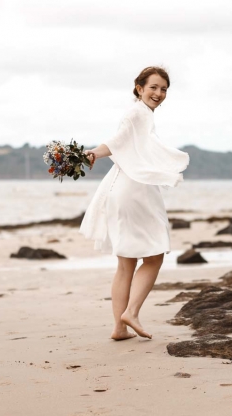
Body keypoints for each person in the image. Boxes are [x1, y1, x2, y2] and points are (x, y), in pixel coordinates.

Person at [80, 66, 189, 340]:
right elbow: (115, 143)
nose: (159, 93)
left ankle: (119, 328)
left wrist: (94, 153)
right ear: (139, 88)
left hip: (120, 187)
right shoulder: (137, 113)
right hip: (135, 189)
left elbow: (120, 144)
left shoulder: (143, 116)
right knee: (154, 255)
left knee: (126, 263)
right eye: (153, 87)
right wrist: (94, 152)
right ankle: (132, 313)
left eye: (163, 89)